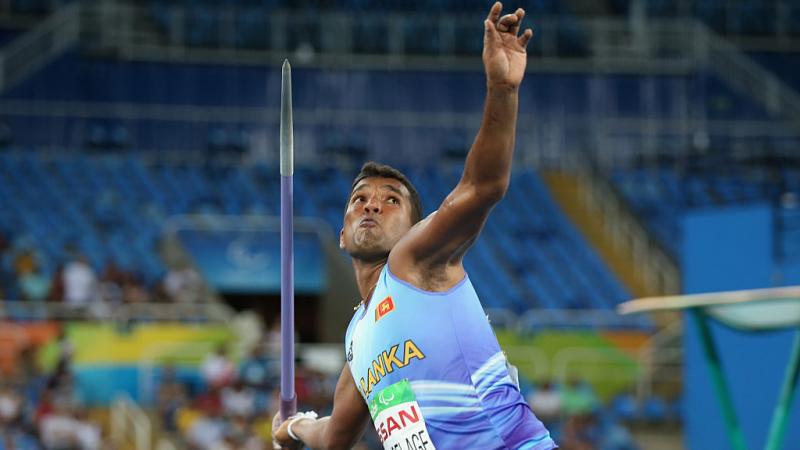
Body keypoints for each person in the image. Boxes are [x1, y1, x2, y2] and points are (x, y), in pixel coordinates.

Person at [273, 3, 556, 449]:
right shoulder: (357, 338)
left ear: (416, 229)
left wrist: (502, 90)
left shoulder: (413, 263)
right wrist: (291, 428)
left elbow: (483, 186)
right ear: (342, 235)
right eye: (359, 200)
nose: (372, 207)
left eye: (391, 201)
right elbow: (334, 438)